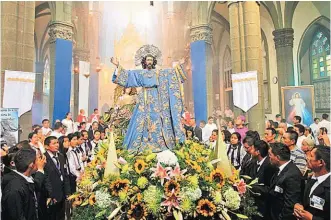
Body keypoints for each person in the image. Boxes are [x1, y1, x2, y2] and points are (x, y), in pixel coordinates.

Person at [110, 44, 186, 152]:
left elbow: (172, 73)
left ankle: (160, 143)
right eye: (147, 60)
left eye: (151, 60)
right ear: (144, 62)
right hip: (144, 100)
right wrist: (118, 66)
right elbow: (128, 75)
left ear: (154, 61)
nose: (149, 61)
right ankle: (141, 145)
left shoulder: (159, 73)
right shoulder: (140, 73)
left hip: (157, 99)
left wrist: (179, 66)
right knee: (140, 121)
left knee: (159, 119)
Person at [1, 148, 45, 220]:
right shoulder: (14, 188)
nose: (41, 162)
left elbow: (35, 186)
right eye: (38, 159)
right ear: (31, 165)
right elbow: (16, 216)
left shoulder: (26, 179)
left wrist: (40, 169)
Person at [266, 142, 303, 220]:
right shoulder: (279, 168)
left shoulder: (292, 175)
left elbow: (290, 204)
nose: (268, 157)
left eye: (270, 155)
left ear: (278, 157)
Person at [294, 146, 330, 220]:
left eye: (311, 156)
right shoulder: (311, 178)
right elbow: (304, 199)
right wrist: (298, 205)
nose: (307, 158)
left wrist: (312, 218)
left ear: (320, 162)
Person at [44, 136, 71, 220]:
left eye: (57, 143)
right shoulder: (44, 158)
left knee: (62, 215)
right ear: (46, 146)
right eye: (54, 143)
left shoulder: (61, 156)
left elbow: (65, 175)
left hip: (62, 192)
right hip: (52, 194)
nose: (57, 145)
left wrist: (67, 191)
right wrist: (50, 195)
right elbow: (46, 178)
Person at [251, 140, 278, 219]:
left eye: (252, 149)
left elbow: (269, 188)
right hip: (254, 203)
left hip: (264, 206)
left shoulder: (270, 166)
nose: (250, 151)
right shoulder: (253, 162)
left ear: (257, 152)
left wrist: (252, 187)